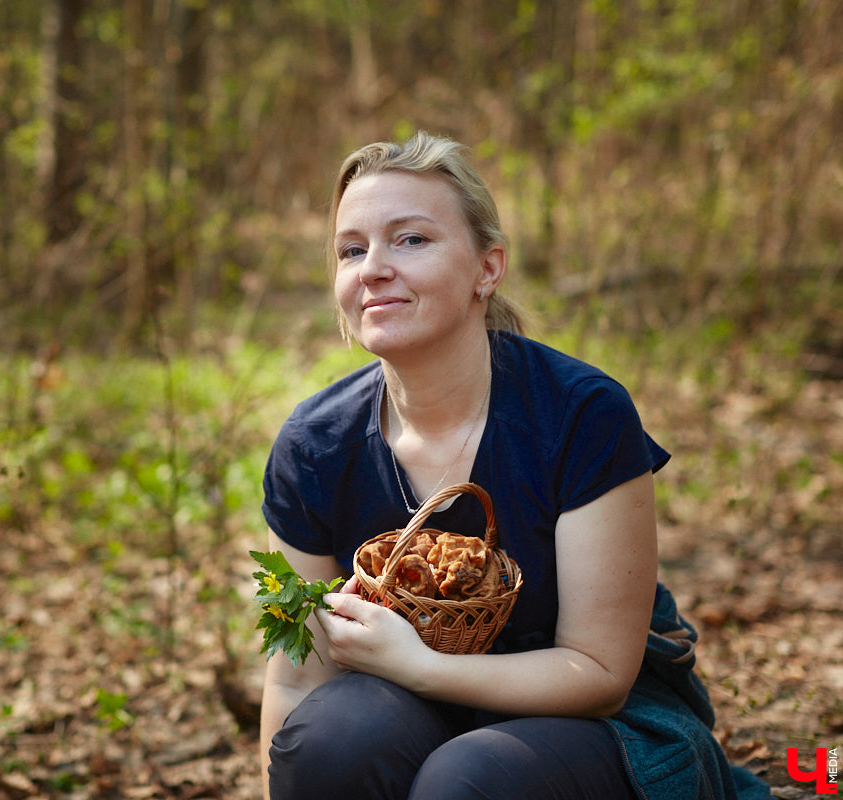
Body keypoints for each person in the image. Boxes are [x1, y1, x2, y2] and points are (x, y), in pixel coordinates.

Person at [258, 132, 771, 800]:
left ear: (487, 268)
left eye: (410, 239)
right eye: (351, 249)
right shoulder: (314, 445)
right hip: (405, 713)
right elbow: (296, 678)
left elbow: (600, 674)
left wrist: (417, 665)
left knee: (467, 780)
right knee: (328, 742)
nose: (373, 268)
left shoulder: (579, 414)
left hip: (592, 724)